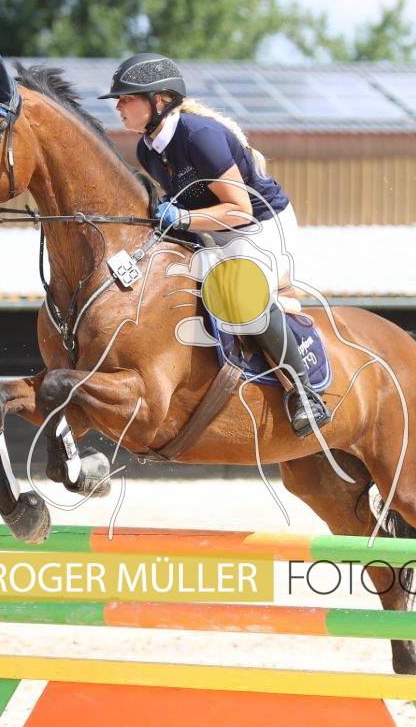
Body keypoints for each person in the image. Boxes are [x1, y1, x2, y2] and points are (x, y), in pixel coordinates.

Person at [101, 53, 331, 438]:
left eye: (127, 98)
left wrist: (183, 219)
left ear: (159, 100)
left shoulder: (199, 137)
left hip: (261, 227)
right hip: (216, 228)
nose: (119, 106)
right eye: (119, 100)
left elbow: (239, 210)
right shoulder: (147, 149)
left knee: (240, 294)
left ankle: (305, 394)